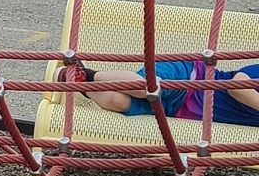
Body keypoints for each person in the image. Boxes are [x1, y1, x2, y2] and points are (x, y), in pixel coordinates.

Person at [64, 58, 259, 126]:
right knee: (146, 89)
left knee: (119, 102)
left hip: (178, 111)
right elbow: (237, 87)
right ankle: (89, 75)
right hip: (191, 79)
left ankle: (79, 83)